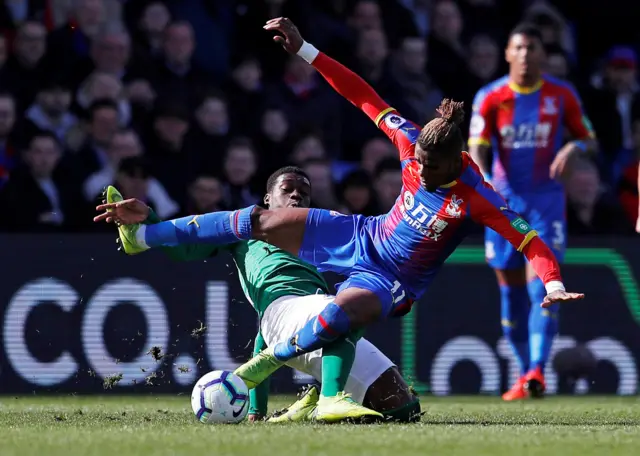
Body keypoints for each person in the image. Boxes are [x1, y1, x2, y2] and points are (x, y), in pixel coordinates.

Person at [96, 18, 583, 415]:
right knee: (260, 220)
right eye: (420, 165)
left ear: (458, 162)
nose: (423, 172)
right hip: (363, 234)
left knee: (344, 316)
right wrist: (306, 50)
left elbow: (531, 242)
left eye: (435, 170)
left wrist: (553, 282)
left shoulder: (478, 195)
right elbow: (361, 94)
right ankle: (144, 234)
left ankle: (267, 371)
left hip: (391, 278)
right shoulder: (413, 144)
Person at [98, 166, 419, 424]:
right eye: (288, 190)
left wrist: (256, 412)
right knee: (345, 308)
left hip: (314, 322)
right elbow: (187, 248)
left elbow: (263, 342)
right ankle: (329, 398)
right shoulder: (246, 231)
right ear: (267, 199)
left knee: (403, 408)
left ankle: (316, 399)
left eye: (304, 193)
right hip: (292, 312)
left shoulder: (316, 236)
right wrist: (150, 222)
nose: (296, 196)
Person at [467, 23, 597, 401]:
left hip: (546, 202)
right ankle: (527, 375)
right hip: (503, 203)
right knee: (509, 293)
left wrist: (572, 149)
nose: (525, 54)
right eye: (518, 48)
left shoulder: (562, 95)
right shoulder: (490, 96)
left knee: (541, 286)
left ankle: (537, 369)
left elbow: (589, 138)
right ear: (508, 53)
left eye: (532, 48)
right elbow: (477, 144)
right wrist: (485, 179)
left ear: (542, 54)